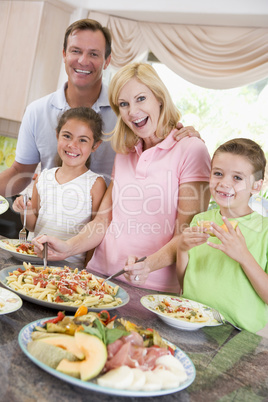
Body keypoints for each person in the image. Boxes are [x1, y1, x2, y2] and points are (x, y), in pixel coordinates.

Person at [33, 62, 211, 293]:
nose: (132, 112)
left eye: (140, 99)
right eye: (124, 104)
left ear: (159, 97)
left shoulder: (192, 150)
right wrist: (68, 247)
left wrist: (148, 265)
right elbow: (103, 222)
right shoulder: (125, 151)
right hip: (100, 277)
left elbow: (186, 234)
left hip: (152, 288)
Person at [0, 18, 200, 197]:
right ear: (64, 54)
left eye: (93, 54)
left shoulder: (125, 111)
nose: (83, 61)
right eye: (75, 51)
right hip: (49, 225)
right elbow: (20, 172)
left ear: (107, 61)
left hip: (107, 230)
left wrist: (186, 137)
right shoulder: (37, 111)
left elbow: (158, 145)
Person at [176, 138, 268, 333]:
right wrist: (182, 249)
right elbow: (184, 282)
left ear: (256, 186)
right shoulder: (200, 219)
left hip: (236, 334)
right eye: (218, 173)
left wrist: (243, 256)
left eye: (237, 178)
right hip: (190, 319)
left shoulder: (265, 230)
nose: (224, 183)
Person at [13, 107, 106, 268]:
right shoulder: (44, 178)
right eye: (67, 136)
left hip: (70, 270)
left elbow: (95, 235)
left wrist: (87, 270)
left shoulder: (95, 183)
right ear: (57, 135)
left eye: (83, 140)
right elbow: (33, 226)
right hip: (34, 264)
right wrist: (24, 211)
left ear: (95, 145)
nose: (72, 145)